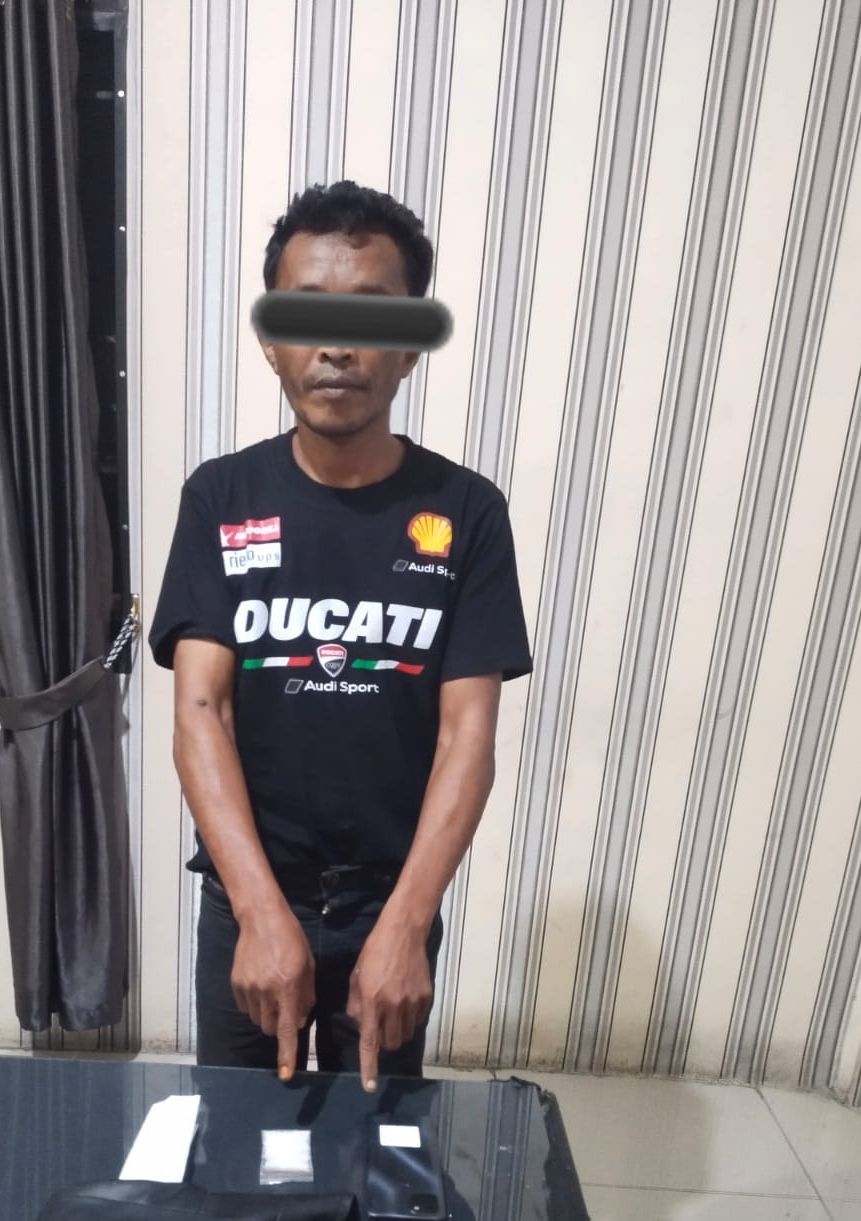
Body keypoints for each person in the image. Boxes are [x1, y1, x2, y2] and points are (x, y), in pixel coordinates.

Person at [149, 181, 532, 1093]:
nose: (335, 343)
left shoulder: (467, 512)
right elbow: (201, 712)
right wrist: (258, 913)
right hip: (249, 894)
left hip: (391, 903)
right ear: (272, 341)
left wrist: (407, 925)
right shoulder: (220, 499)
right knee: (241, 1138)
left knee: (376, 1141)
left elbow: (467, 737)